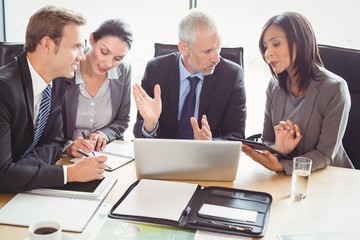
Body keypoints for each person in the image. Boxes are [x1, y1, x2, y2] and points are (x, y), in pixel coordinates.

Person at [0, 6, 107, 193]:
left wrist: (22, 169)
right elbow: (2, 176)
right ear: (47, 45)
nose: (82, 57)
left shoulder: (56, 82)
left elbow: (55, 142)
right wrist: (69, 174)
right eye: (76, 47)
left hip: (20, 190)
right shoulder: (4, 90)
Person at [242, 12, 352, 175]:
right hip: (286, 179)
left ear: (299, 43)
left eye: (276, 44)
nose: (268, 53)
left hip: (329, 177)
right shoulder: (274, 85)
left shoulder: (335, 88)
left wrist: (282, 166)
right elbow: (267, 140)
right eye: (265, 46)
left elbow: (325, 155)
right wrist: (278, 150)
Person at [132, 9, 246, 140]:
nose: (216, 58)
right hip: (165, 156)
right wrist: (150, 124)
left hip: (207, 158)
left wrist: (210, 143)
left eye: (218, 48)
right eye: (207, 51)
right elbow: (139, 131)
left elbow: (237, 135)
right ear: (184, 48)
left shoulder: (231, 75)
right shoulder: (156, 70)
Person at [62, 19, 133, 158]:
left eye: (118, 58)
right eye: (104, 52)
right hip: (68, 159)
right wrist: (68, 146)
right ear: (92, 39)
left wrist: (104, 134)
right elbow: (49, 128)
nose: (108, 63)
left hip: (108, 155)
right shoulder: (66, 68)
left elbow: (122, 120)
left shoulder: (123, 70)